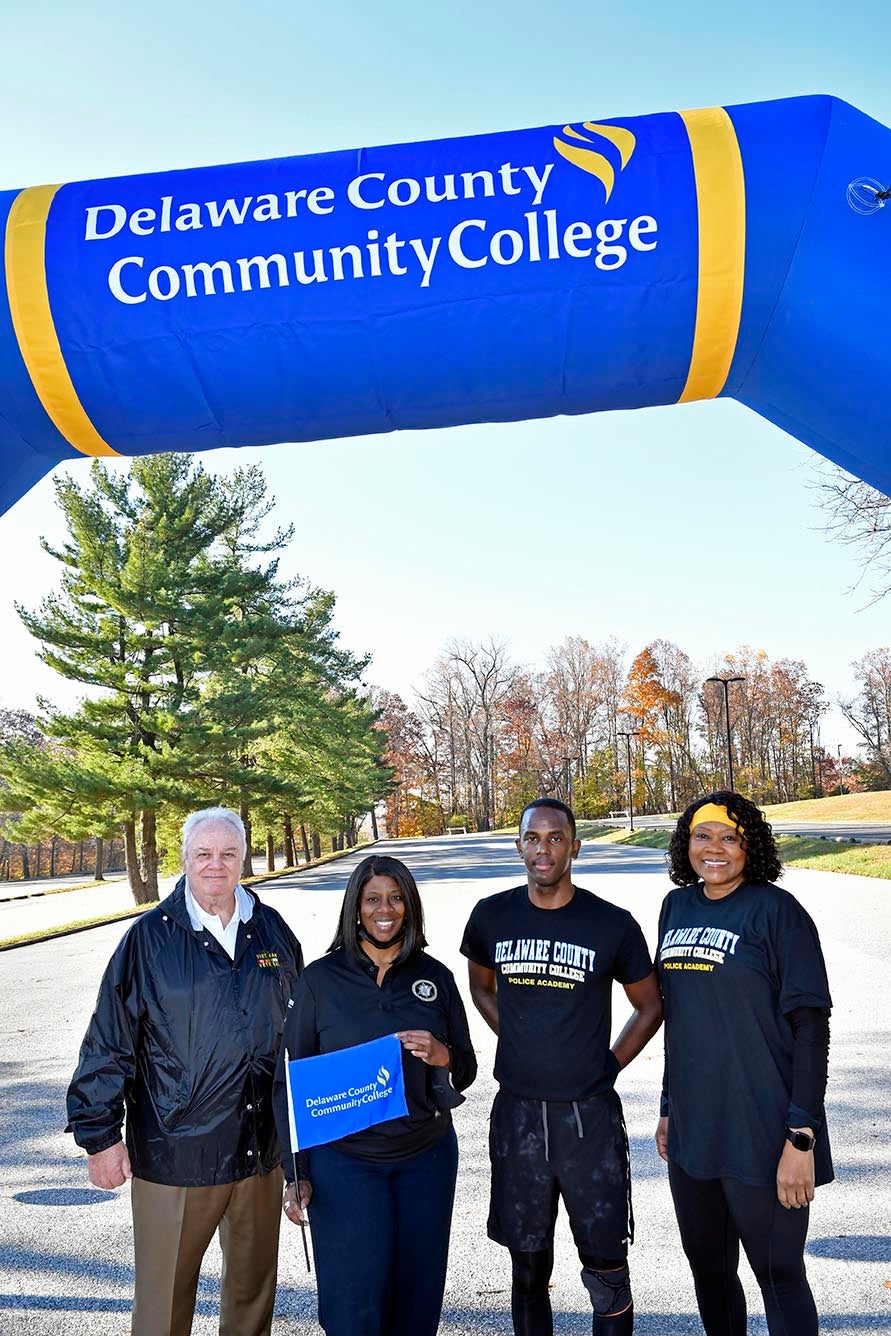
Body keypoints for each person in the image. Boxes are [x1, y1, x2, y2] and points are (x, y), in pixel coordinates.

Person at [66, 806, 304, 1336]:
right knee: (163, 1306)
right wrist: (99, 1136)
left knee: (252, 1297)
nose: (215, 864)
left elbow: (304, 1039)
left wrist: (302, 1151)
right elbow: (109, 1041)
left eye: (228, 853)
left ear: (244, 858)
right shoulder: (148, 940)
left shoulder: (272, 932)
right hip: (175, 1154)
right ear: (184, 859)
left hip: (258, 1150)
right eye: (203, 854)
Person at [461, 797, 663, 1335]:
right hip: (519, 1117)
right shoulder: (492, 915)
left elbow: (650, 1005)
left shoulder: (610, 924)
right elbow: (480, 985)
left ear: (574, 846)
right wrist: (522, 1036)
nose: (543, 849)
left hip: (588, 1119)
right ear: (518, 844)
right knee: (528, 1268)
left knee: (606, 1272)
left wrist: (608, 1064)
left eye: (555, 838)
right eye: (532, 837)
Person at [273, 852, 477, 1336]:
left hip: (424, 1159)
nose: (384, 909)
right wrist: (294, 1172)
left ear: (409, 906)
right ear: (355, 908)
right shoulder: (320, 980)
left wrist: (442, 1055)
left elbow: (466, 1068)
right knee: (352, 1303)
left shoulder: (436, 977)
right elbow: (290, 1079)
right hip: (345, 1164)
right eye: (372, 899)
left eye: (395, 898)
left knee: (417, 1297)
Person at [655, 791, 833, 1336]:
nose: (714, 848)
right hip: (694, 1131)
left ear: (750, 846)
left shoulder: (777, 911)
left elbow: (811, 1030)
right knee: (709, 1274)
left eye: (730, 837)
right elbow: (680, 1018)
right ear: (685, 844)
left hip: (765, 1130)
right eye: (702, 836)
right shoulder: (675, 907)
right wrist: (668, 1107)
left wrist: (801, 1137)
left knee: (778, 1276)